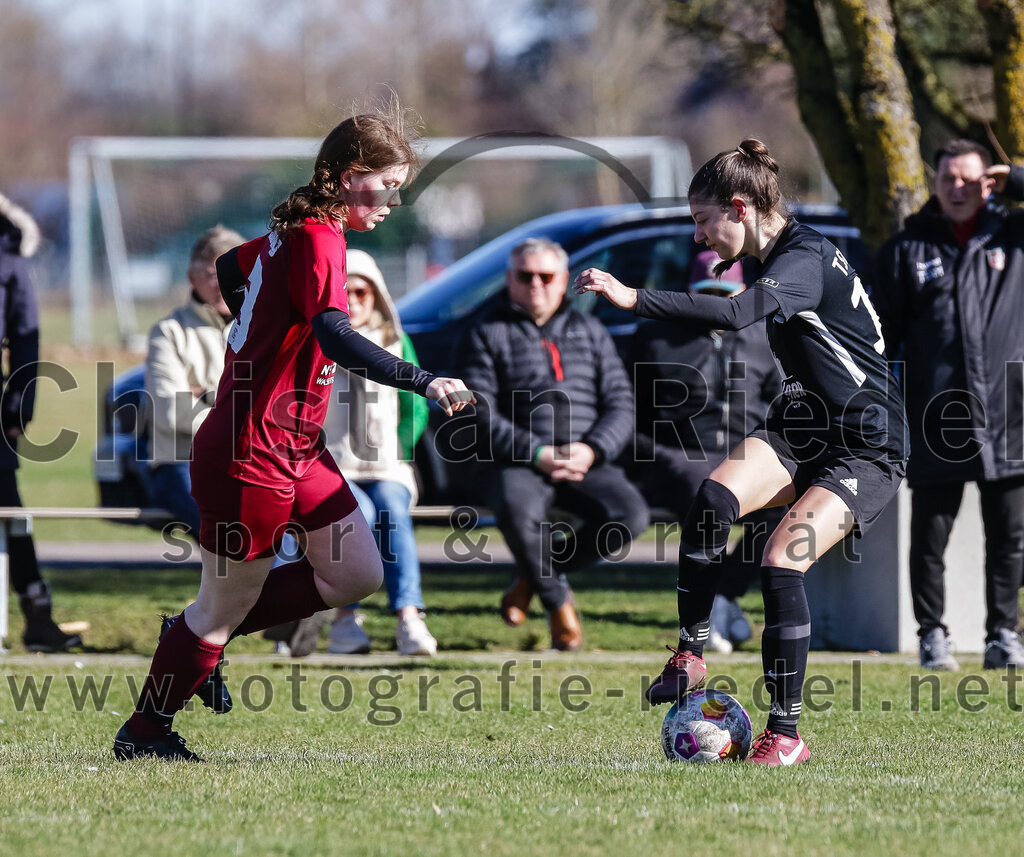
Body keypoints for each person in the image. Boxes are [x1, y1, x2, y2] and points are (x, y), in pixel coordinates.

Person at [113, 107, 474, 762]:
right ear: (346, 176)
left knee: (356, 571)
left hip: (296, 448)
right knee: (222, 607)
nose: (394, 202)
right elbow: (333, 330)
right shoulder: (315, 238)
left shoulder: (298, 233)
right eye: (386, 186)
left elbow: (230, 273)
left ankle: (194, 639)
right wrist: (422, 379)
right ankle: (147, 729)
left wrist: (261, 337)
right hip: (249, 451)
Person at [576, 139, 908, 766]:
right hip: (800, 428)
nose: (700, 237)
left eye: (703, 221)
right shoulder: (772, 255)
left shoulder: (805, 259)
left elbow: (735, 317)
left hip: (866, 445)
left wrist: (632, 296)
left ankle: (786, 735)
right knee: (713, 499)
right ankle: (691, 650)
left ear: (739, 207)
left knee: (782, 561)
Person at [874, 139, 1024, 671]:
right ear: (933, 181)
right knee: (930, 537)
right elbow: (876, 337)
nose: (957, 189)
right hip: (938, 417)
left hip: (1011, 415)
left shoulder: (1012, 234)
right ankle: (932, 634)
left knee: (1009, 538)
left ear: (990, 183)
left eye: (969, 179)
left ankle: (1003, 635)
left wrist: (1019, 179)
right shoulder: (908, 248)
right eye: (947, 179)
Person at [461, 237, 649, 651]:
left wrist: (593, 450)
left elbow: (621, 404)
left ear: (563, 280)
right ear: (510, 279)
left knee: (629, 515)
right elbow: (479, 411)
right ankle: (558, 603)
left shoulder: (591, 330)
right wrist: (537, 453)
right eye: (525, 276)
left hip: (586, 458)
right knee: (516, 508)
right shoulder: (485, 332)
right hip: (518, 460)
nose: (536, 285)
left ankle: (531, 577)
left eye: (546, 276)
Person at [630, 249, 784, 653]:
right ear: (689, 292)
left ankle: (723, 598)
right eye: (707, 292)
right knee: (707, 495)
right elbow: (632, 415)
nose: (716, 304)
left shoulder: (764, 337)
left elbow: (781, 408)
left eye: (726, 294)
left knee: (786, 507)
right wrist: (659, 453)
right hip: (679, 456)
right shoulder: (657, 337)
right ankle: (710, 613)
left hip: (746, 452)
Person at [321, 248, 437, 657]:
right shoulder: (319, 343)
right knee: (358, 516)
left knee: (390, 508)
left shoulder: (395, 341)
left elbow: (415, 408)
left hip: (387, 466)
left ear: (377, 296)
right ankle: (344, 620)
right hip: (334, 466)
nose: (352, 301)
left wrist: (399, 449)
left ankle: (409, 617)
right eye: (342, 292)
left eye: (361, 292)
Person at [0, 191, 82, 653]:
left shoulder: (9, 259)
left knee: (9, 509)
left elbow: (25, 346)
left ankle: (37, 613)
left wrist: (18, 409)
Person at [146, 225, 244, 539]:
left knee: (281, 527)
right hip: (180, 461)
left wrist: (207, 394)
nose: (221, 283)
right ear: (192, 277)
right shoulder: (169, 332)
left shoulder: (261, 329)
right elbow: (172, 410)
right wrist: (239, 421)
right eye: (211, 273)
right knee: (231, 538)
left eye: (231, 271)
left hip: (250, 460)